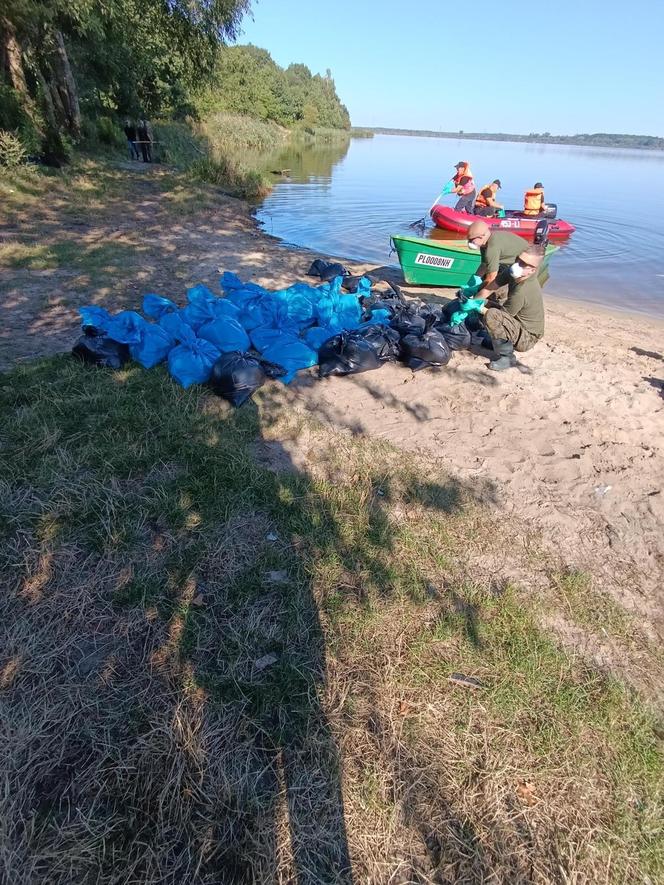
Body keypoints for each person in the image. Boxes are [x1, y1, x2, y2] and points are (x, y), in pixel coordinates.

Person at [477, 248, 545, 370]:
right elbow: (490, 288)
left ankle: (507, 357)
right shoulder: (513, 272)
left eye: (523, 264)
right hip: (517, 322)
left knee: (492, 315)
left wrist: (478, 308)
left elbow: (501, 316)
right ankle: (496, 342)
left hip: (528, 337)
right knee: (484, 301)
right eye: (518, 259)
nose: (517, 264)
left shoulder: (523, 291)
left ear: (532, 270)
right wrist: (474, 300)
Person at [466, 221, 530, 301]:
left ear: (481, 236)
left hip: (527, 264)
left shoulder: (492, 248)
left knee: (499, 288)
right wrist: (473, 281)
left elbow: (491, 278)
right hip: (512, 260)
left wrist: (476, 295)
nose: (469, 243)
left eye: (471, 240)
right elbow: (484, 264)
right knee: (484, 282)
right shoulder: (484, 244)